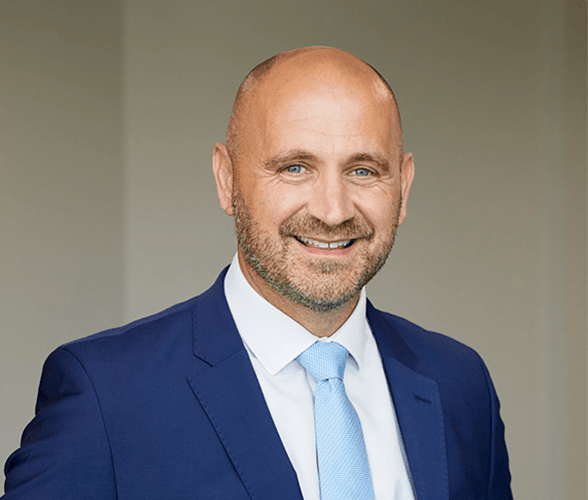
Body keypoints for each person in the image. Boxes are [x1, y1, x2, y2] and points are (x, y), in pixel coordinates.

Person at [2, 47, 512, 499]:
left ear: (402, 187)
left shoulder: (459, 383)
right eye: (295, 167)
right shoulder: (107, 396)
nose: (333, 211)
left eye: (362, 170)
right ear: (227, 181)